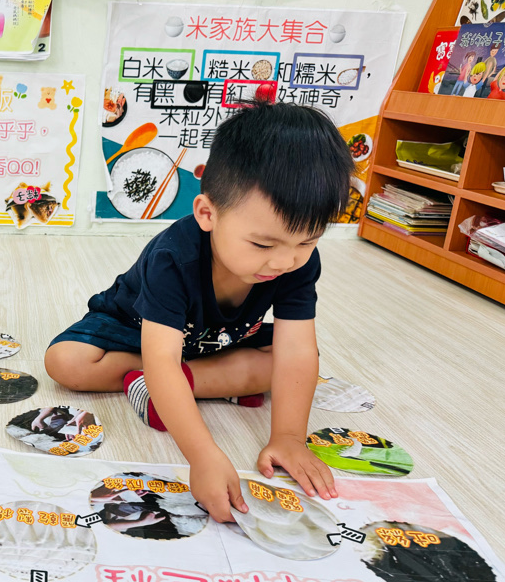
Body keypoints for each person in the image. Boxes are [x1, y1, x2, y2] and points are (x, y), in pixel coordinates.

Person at [45, 101, 352, 523]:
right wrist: (203, 454)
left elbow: (297, 350)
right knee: (66, 362)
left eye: (307, 241)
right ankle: (170, 383)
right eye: (262, 245)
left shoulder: (295, 261)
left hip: (218, 340)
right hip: (137, 330)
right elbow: (161, 355)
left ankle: (168, 385)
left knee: (290, 364)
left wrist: (289, 437)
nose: (285, 261)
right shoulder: (173, 257)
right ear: (208, 213)